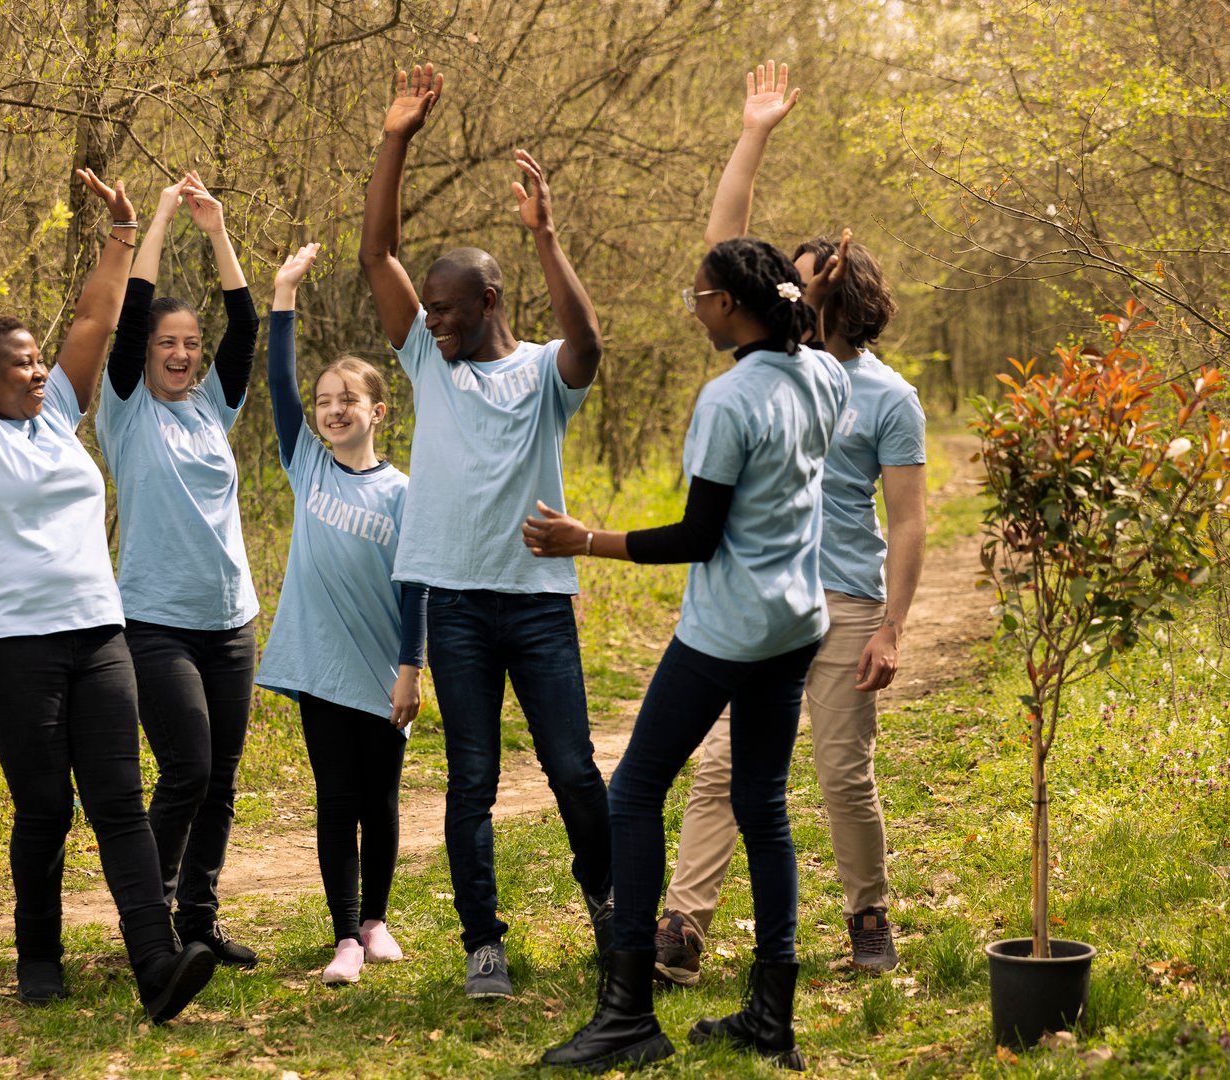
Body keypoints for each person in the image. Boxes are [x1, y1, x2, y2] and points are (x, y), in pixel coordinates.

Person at [0, 163, 216, 1019]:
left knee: (119, 802)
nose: (34, 372)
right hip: (6, 644)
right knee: (46, 805)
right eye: (17, 365)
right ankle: (38, 955)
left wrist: (124, 232)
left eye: (35, 361)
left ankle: (156, 965)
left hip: (98, 633)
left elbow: (95, 318)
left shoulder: (60, 413)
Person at [527, 233, 852, 1072]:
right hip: (797, 624)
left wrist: (581, 540)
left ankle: (628, 1013)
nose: (694, 306)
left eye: (699, 296)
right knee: (762, 804)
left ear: (734, 307)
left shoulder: (727, 399)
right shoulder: (823, 373)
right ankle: (770, 1018)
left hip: (729, 632)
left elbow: (699, 536)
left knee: (634, 792)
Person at [655, 61, 928, 985]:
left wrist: (892, 624)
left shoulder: (885, 395)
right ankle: (684, 926)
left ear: (832, 294)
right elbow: (723, 250)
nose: (784, 290)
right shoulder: (782, 365)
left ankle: (867, 920)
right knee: (719, 770)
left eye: (803, 281)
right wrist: (754, 133)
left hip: (846, 601)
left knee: (842, 774)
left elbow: (911, 518)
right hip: (764, 602)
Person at [357, 63, 612, 999]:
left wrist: (545, 239)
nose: (432, 320)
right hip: (455, 604)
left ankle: (607, 902)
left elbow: (588, 343)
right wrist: (395, 139)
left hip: (538, 605)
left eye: (449, 308)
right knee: (469, 783)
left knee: (574, 772)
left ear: (491, 302)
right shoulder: (429, 363)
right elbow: (375, 252)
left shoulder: (543, 372)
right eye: (427, 310)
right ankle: (481, 945)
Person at [97, 171, 263, 967]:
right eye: (168, 343)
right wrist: (159, 218)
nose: (181, 353)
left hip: (232, 620)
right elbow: (128, 318)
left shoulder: (211, 404)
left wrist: (217, 229)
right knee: (188, 769)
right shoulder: (124, 408)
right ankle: (151, 924)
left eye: (189, 344)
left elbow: (246, 324)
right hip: (156, 621)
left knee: (222, 780)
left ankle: (198, 918)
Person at [255, 243, 426, 986]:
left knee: (381, 801)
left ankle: (376, 921)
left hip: (383, 673)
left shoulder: (404, 492)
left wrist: (410, 670)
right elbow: (275, 385)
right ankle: (343, 938)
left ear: (376, 411)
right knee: (336, 798)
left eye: (346, 401)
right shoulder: (306, 462)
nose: (331, 410)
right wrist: (282, 296)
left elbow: (417, 586)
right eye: (324, 401)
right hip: (320, 667)